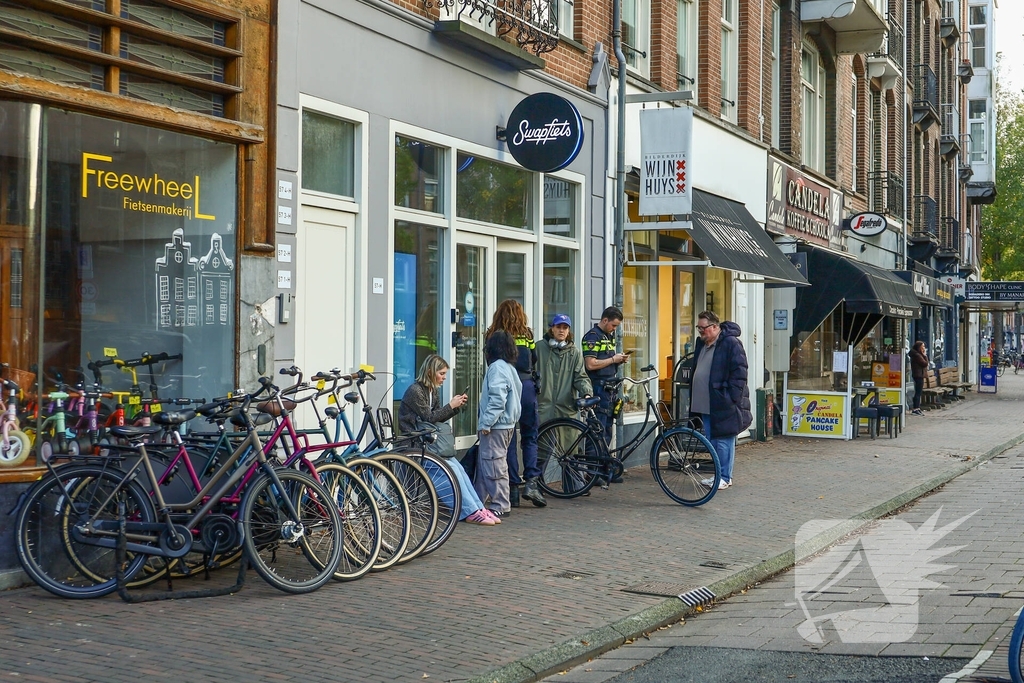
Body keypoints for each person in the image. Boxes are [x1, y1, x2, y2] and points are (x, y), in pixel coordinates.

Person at [398, 354, 500, 526]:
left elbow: (436, 417)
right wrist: (450, 406)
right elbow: (429, 417)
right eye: (442, 373)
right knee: (448, 470)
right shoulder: (415, 391)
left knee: (458, 468)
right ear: (430, 372)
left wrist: (454, 407)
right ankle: (468, 511)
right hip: (416, 444)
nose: (444, 377)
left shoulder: (432, 391)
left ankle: (477, 507)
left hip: (429, 442)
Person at [484, 299, 544, 508]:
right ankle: (532, 483)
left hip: (504, 386)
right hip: (525, 387)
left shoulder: (492, 334)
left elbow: (489, 361)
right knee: (530, 436)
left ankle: (512, 489)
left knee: (508, 436)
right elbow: (534, 360)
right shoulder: (527, 334)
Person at [689, 310, 751, 490]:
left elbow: (740, 372)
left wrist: (731, 397)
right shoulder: (701, 344)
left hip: (722, 401)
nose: (700, 331)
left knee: (724, 439)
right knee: (712, 439)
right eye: (698, 328)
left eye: (704, 328)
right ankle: (718, 476)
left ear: (715, 327)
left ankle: (725, 476)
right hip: (705, 402)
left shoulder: (731, 343)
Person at [475, 330, 523, 518]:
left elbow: (497, 399)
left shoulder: (496, 368)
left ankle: (500, 504)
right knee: (488, 464)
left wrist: (486, 423)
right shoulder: (509, 368)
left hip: (496, 426)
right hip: (507, 424)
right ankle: (477, 501)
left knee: (494, 465)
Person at [582, 306, 630, 482]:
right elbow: (591, 364)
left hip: (610, 389)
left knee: (607, 430)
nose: (614, 329)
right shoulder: (592, 337)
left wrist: (618, 360)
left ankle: (603, 470)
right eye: (613, 325)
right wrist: (613, 359)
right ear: (604, 320)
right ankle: (592, 473)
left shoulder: (607, 336)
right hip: (599, 388)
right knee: (597, 431)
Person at [536, 314, 593, 424]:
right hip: (543, 409)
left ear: (568, 331)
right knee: (542, 440)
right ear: (552, 329)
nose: (561, 330)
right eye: (558, 327)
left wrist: (586, 393)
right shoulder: (539, 348)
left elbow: (581, 377)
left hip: (566, 410)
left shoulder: (574, 352)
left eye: (565, 327)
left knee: (567, 441)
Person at [909, 341, 929, 416]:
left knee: (918, 392)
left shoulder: (916, 355)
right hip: (918, 375)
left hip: (919, 375)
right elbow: (925, 363)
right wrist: (925, 355)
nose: (924, 348)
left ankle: (917, 408)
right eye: (923, 346)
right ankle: (915, 408)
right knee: (918, 392)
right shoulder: (917, 355)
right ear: (919, 347)